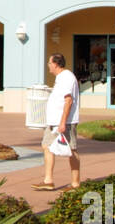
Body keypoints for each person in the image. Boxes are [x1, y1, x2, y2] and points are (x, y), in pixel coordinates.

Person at [34, 53, 80, 191]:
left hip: (65, 122)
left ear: (55, 64)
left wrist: (62, 122)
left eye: (49, 63)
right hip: (54, 122)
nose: (48, 66)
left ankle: (75, 183)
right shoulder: (61, 78)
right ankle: (48, 180)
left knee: (72, 150)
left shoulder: (66, 77)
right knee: (47, 146)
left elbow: (68, 101)